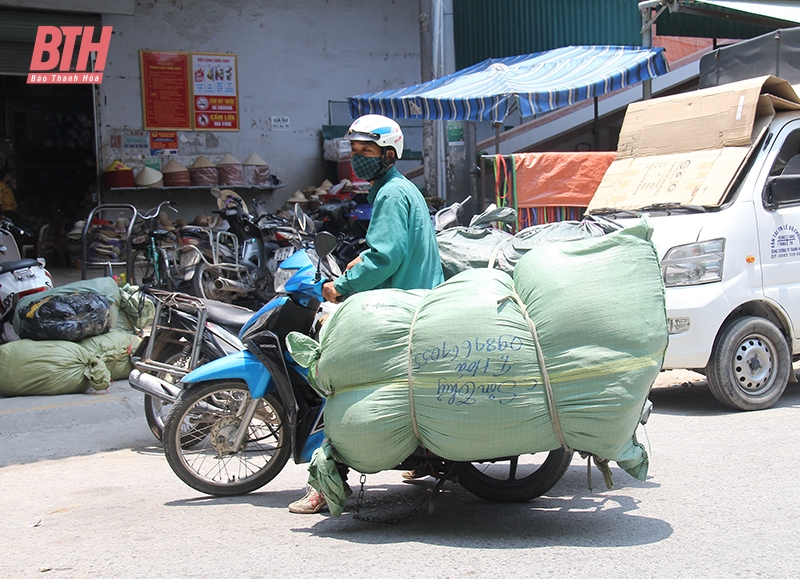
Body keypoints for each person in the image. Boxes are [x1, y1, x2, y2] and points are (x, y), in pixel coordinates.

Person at [288, 114, 444, 514]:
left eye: (367, 151)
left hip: (401, 309)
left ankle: (327, 484)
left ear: (389, 154)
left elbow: (385, 256)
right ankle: (420, 454)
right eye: (355, 150)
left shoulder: (391, 194)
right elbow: (391, 250)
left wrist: (342, 286)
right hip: (414, 301)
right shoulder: (397, 189)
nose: (358, 158)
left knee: (340, 386)